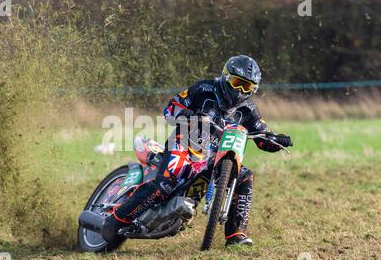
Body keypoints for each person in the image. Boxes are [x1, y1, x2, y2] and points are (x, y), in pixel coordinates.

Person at [101, 55, 293, 246]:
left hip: (215, 158)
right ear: (226, 78)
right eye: (237, 83)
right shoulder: (203, 89)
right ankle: (117, 219)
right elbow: (172, 107)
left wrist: (275, 140)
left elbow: (262, 136)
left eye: (247, 87)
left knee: (245, 176)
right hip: (184, 145)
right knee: (165, 184)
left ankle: (236, 235)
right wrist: (186, 114)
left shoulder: (249, 110)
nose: (241, 91)